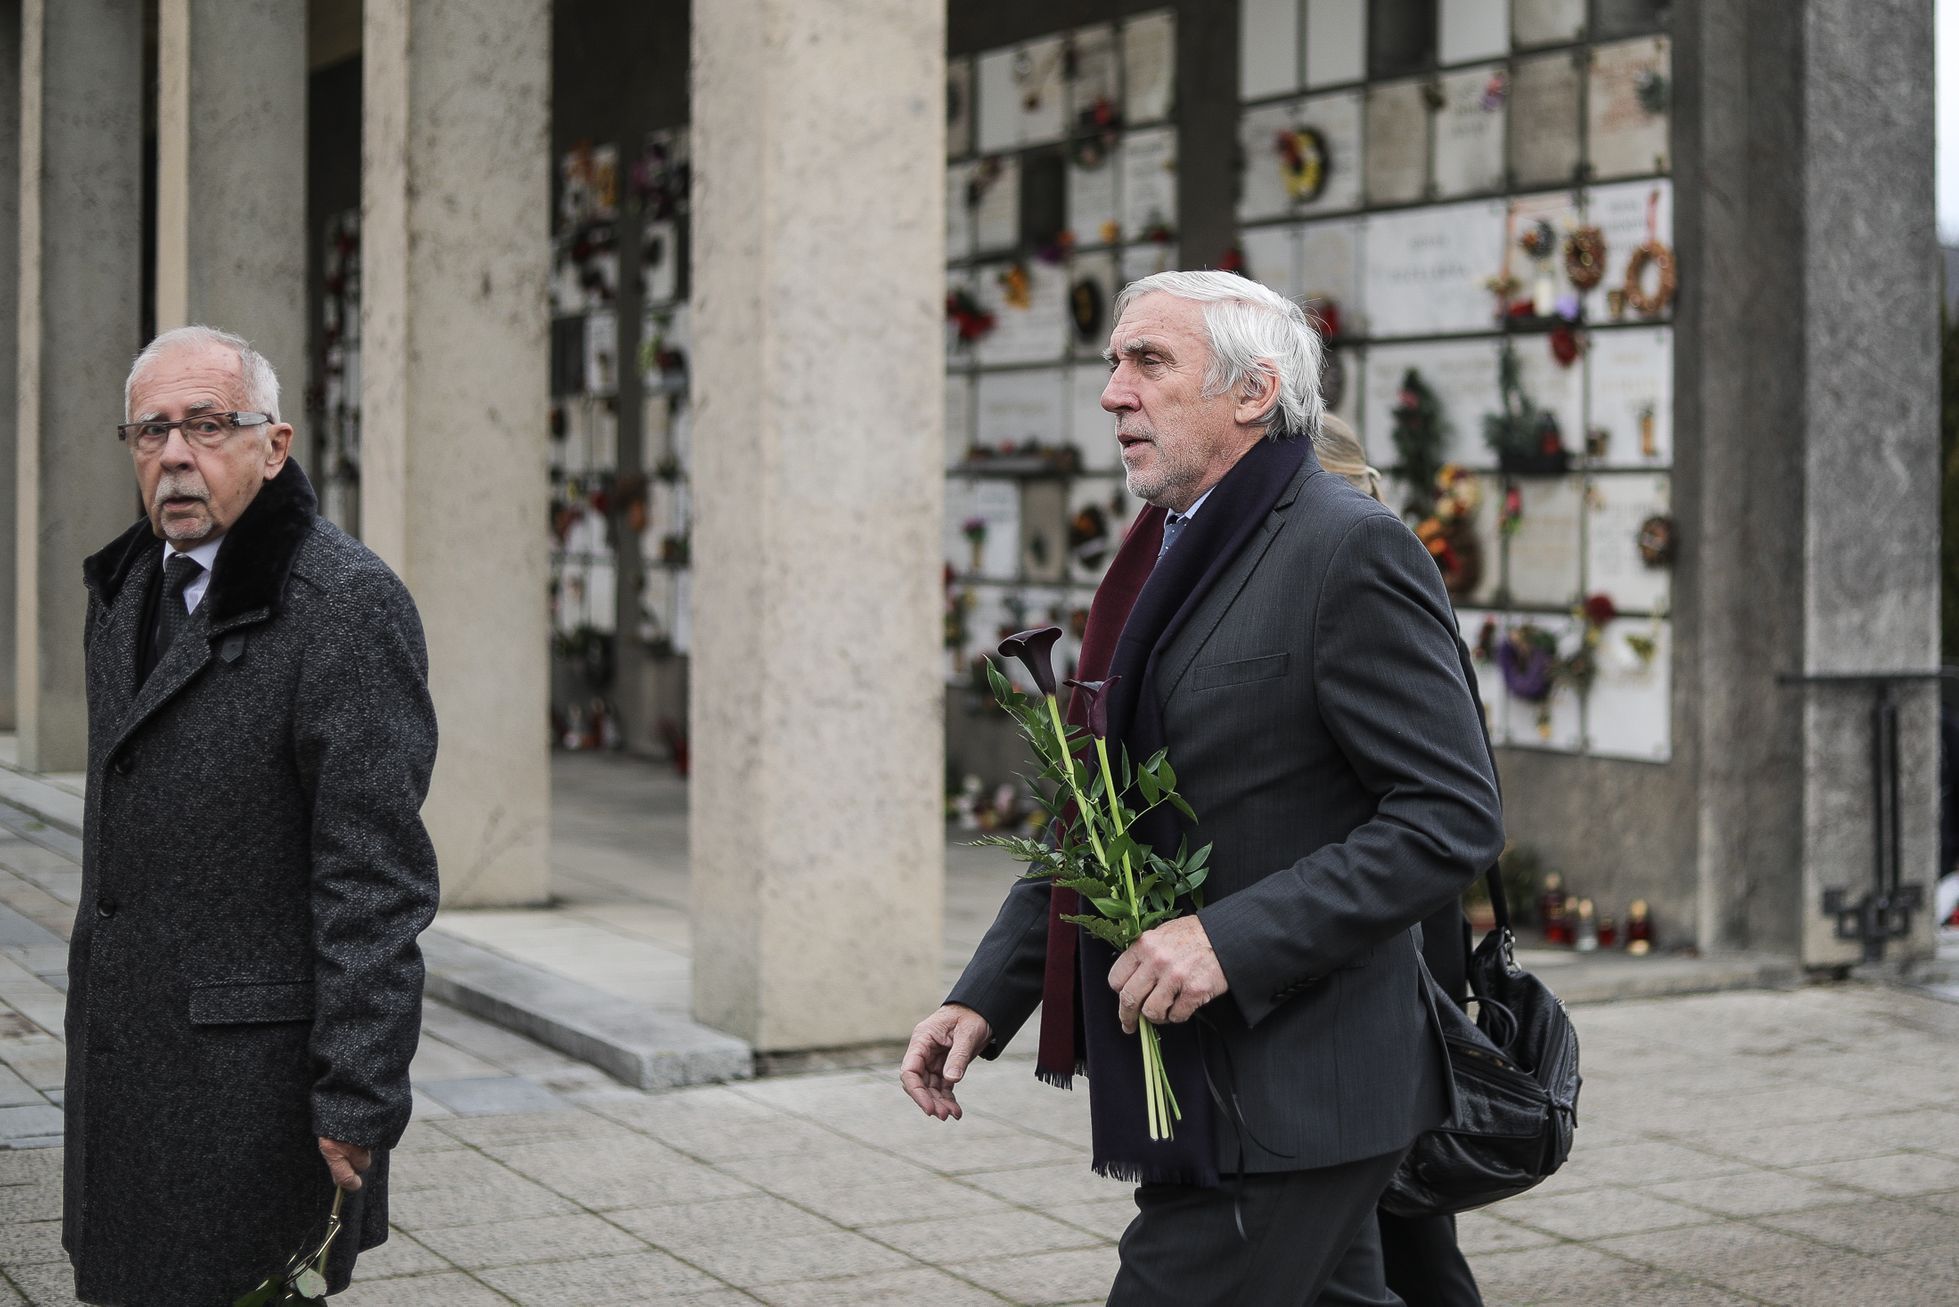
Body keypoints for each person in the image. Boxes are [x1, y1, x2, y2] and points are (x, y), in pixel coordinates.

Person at [902, 271, 1504, 1305]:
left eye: (1149, 363)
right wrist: (985, 993)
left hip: (1298, 1089)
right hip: (1209, 1075)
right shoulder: (1160, 553)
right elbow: (1100, 810)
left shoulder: (1345, 547)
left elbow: (1450, 815)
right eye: (1113, 363)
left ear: (1253, 392)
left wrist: (1229, 938)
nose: (1112, 393)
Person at [65, 325, 440, 1306]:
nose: (176, 454)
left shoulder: (343, 607)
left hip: (253, 1090)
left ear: (273, 447)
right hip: (126, 1066)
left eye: (208, 424)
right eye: (151, 430)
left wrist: (359, 1089)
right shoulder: (124, 591)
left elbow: (376, 876)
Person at [1316, 414, 1487, 1307]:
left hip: (1396, 940)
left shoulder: (1366, 569)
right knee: (1396, 1218)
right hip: (1383, 935)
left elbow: (1445, 796)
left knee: (1406, 1215)